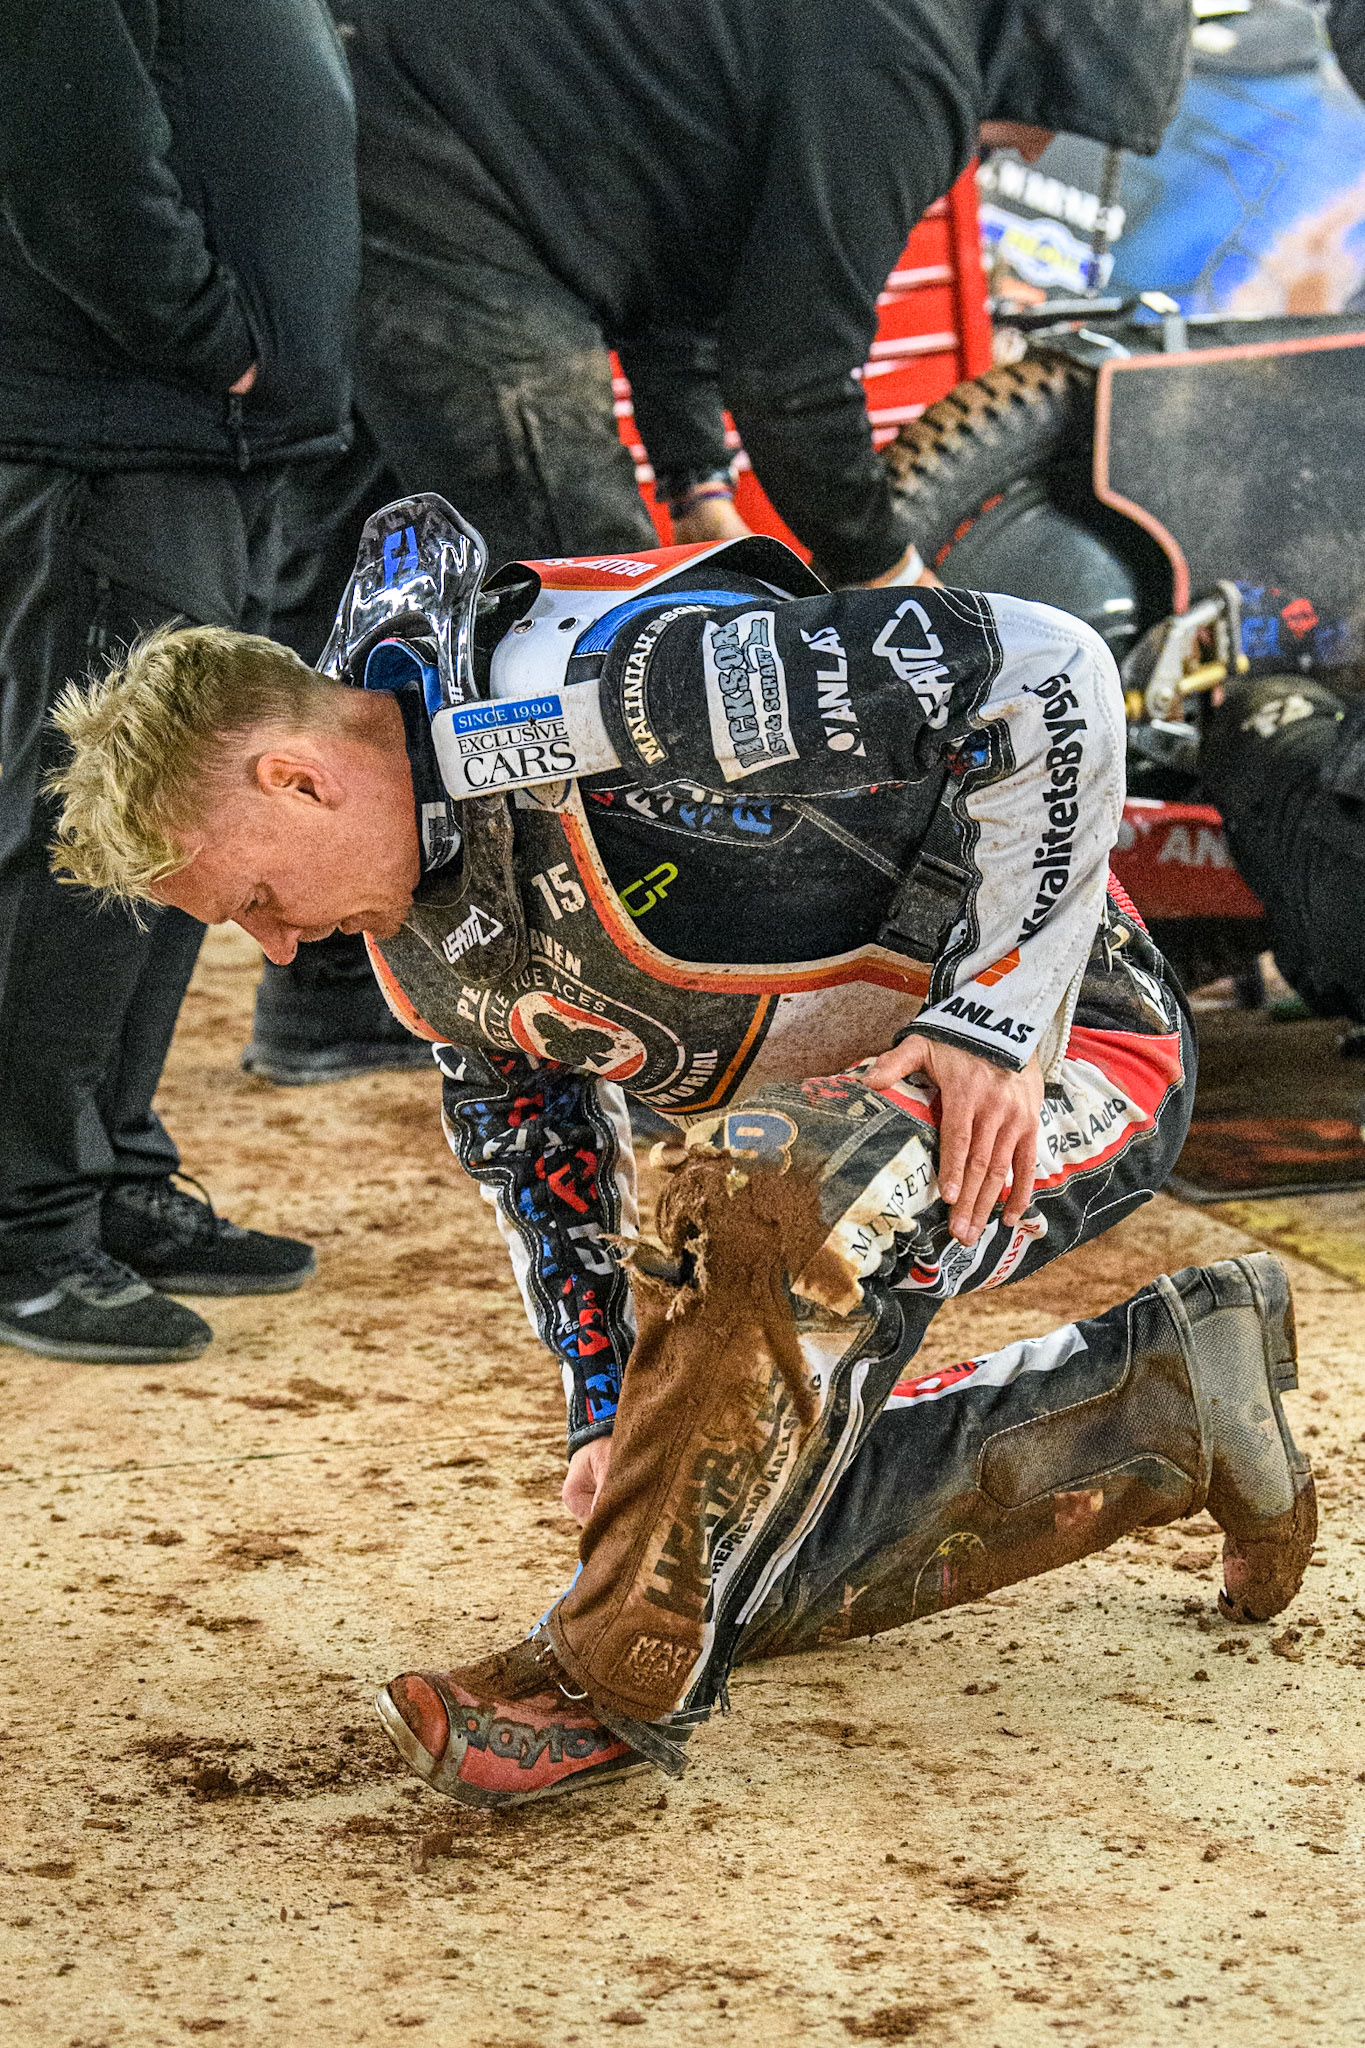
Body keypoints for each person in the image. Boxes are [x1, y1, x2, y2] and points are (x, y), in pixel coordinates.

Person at [46, 497, 1316, 1804]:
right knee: (721, 1557)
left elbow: (1044, 664)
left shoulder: (618, 682)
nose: (274, 945)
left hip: (1083, 1050)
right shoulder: (415, 938)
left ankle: (596, 1681)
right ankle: (1174, 1391)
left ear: (297, 779)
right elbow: (538, 1146)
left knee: (748, 1198)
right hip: (830, 1146)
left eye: (253, 897)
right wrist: (611, 1414)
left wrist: (996, 1016)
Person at [0, 0, 359, 1366]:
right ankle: (27, 1226)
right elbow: (70, 146)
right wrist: (213, 332)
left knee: (173, 828)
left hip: (207, 431)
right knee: (80, 833)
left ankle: (108, 1175)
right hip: (119, 420)